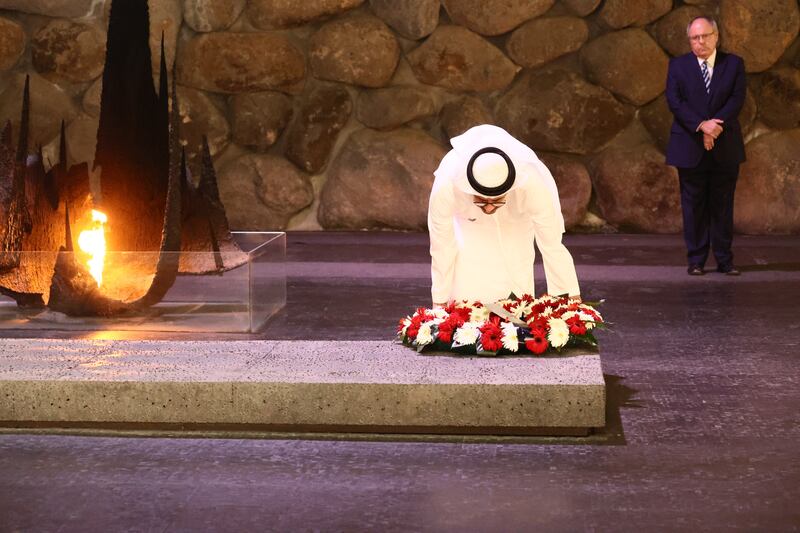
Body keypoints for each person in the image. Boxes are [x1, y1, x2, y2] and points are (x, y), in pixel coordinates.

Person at [427, 124, 580, 307]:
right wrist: (439, 300)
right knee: (466, 290)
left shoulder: (531, 181)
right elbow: (441, 245)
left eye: (497, 200)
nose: (490, 209)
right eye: (481, 201)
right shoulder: (447, 183)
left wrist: (568, 295)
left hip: (517, 225)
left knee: (517, 292)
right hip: (469, 230)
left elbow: (551, 242)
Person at [665, 15, 746, 276]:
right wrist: (702, 126)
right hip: (689, 146)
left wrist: (715, 126)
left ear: (716, 36)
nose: (700, 42)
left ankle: (725, 260)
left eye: (705, 36)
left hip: (725, 145)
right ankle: (696, 260)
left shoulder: (733, 64)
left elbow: (737, 98)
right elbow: (675, 101)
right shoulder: (678, 66)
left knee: (723, 205)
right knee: (693, 206)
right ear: (690, 40)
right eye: (695, 38)